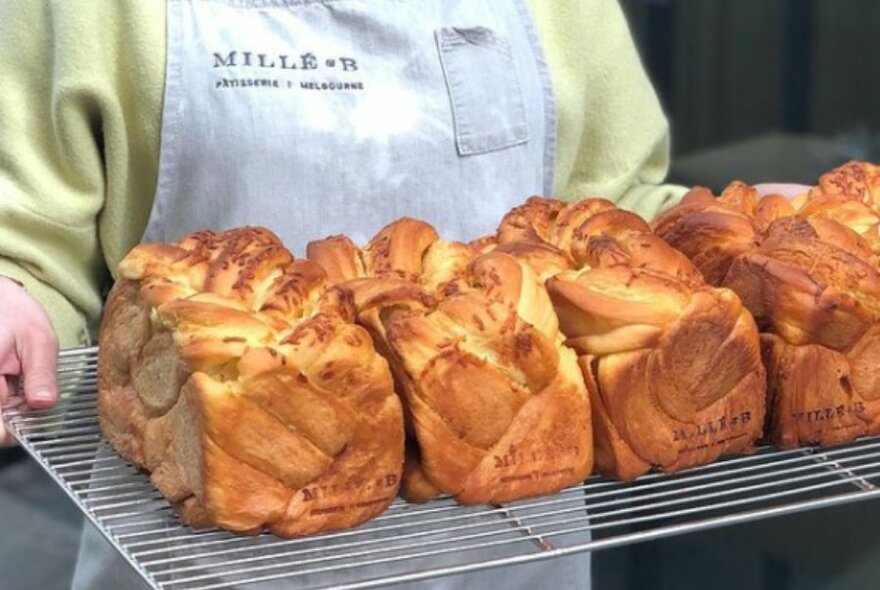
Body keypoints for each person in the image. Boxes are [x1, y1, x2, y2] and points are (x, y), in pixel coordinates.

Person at [0, 1, 808, 588]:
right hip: (201, 551)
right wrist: (14, 296)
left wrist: (733, 229)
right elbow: (30, 237)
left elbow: (606, 212)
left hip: (516, 532)